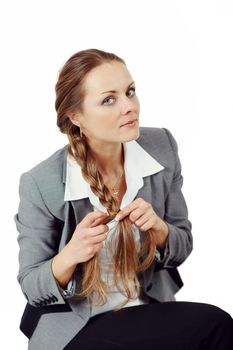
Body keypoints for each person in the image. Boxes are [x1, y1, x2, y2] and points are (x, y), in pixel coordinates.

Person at [15, 48, 233, 350]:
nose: (129, 106)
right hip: (77, 326)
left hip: (145, 308)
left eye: (130, 92)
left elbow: (182, 247)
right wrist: (71, 254)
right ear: (76, 116)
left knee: (217, 325)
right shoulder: (42, 182)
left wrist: (159, 229)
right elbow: (30, 284)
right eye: (109, 99)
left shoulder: (161, 147)